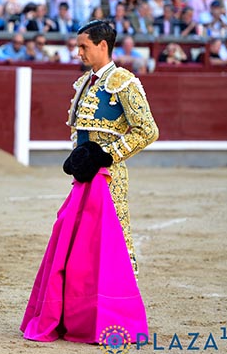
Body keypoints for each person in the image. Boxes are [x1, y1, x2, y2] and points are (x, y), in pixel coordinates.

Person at [66, 19, 159, 275]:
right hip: (83, 178)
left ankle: (121, 304)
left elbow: (148, 130)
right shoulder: (85, 82)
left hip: (109, 178)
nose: (79, 53)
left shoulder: (123, 81)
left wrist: (107, 156)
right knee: (82, 243)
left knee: (114, 240)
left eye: (84, 47)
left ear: (102, 45)